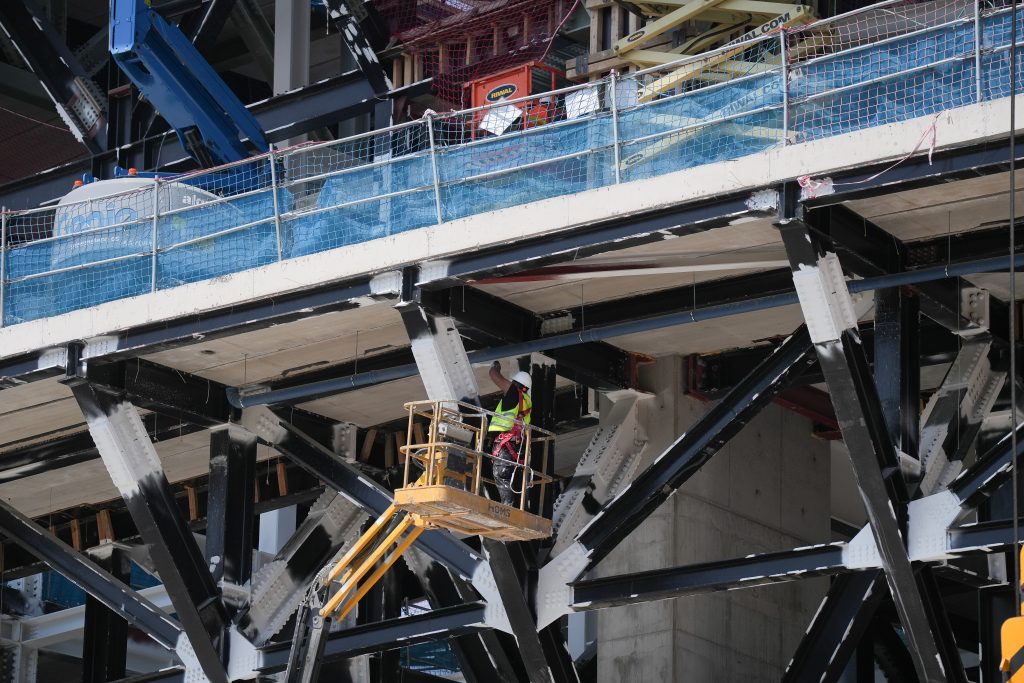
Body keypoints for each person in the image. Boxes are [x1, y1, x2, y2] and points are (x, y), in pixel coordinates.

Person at [486, 361, 532, 507]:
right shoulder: (527, 401)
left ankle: (508, 510)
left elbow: (494, 376)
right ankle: (517, 509)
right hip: (519, 447)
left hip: (506, 445)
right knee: (515, 478)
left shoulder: (513, 392)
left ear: (515, 383)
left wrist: (496, 367)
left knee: (502, 475)